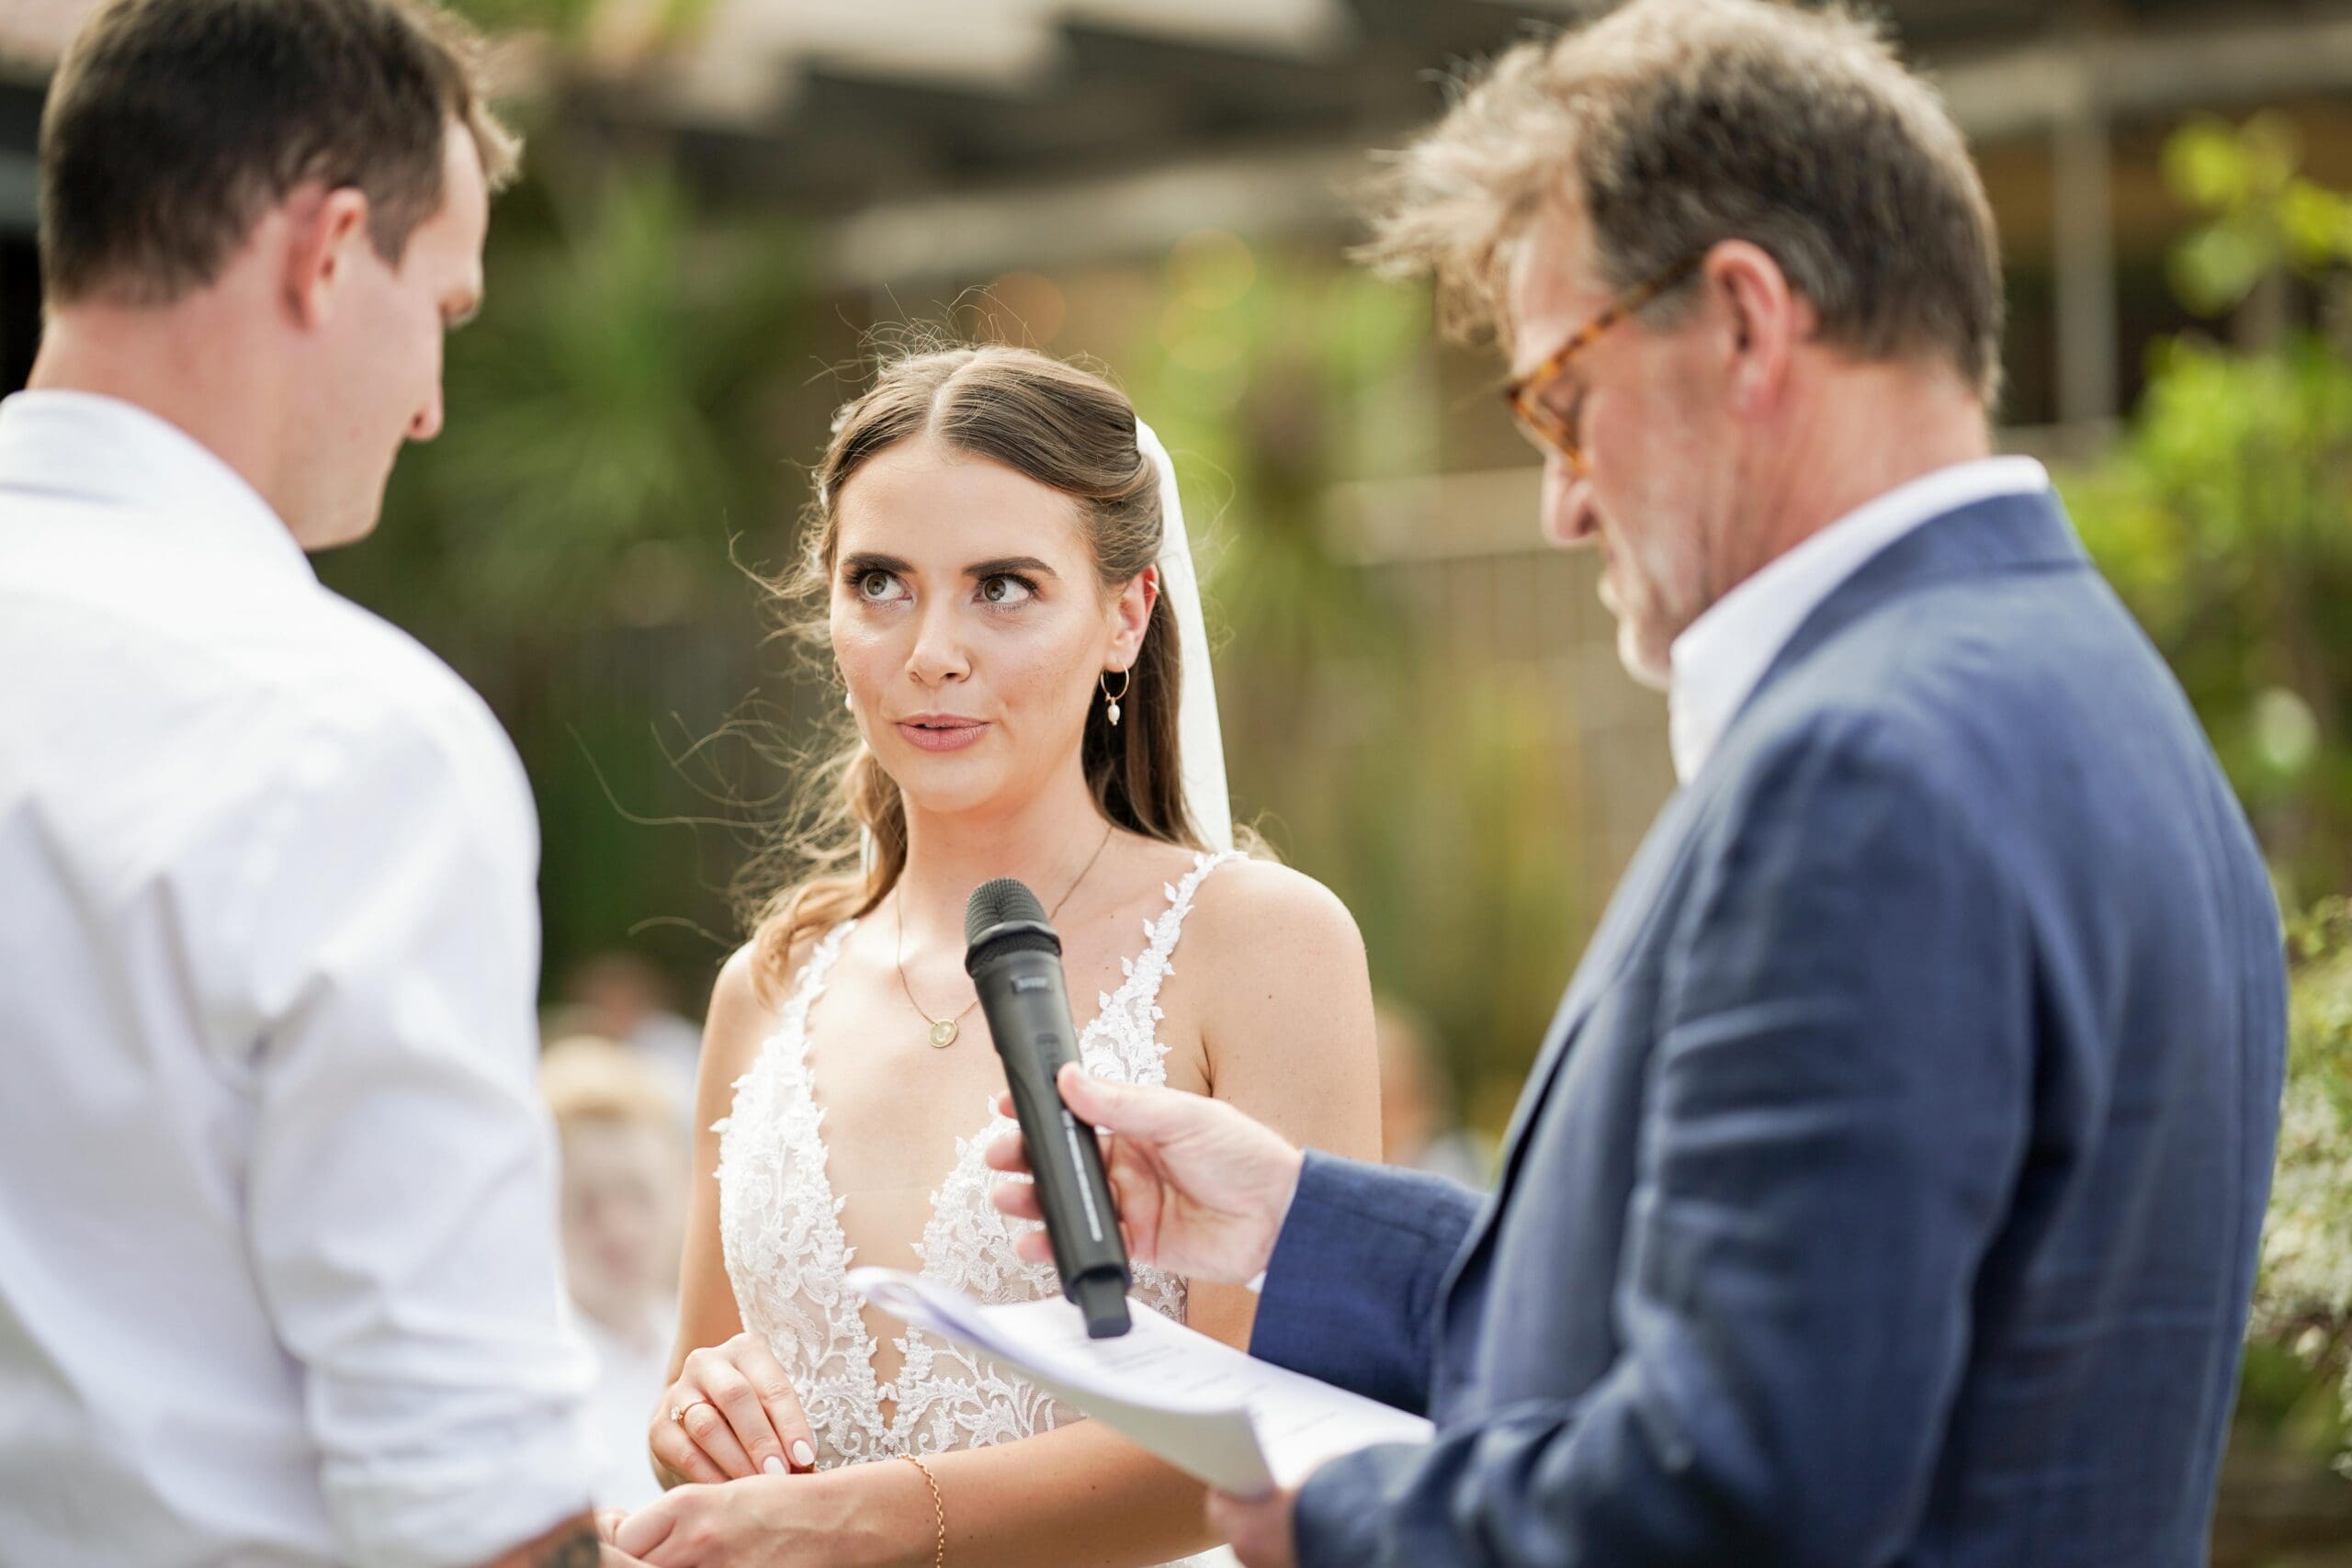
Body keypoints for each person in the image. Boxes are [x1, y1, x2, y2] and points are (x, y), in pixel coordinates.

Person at [988, 4, 2287, 1565]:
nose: (1558, 504)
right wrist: (1296, 1224)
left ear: (1743, 322)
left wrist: (1343, 1518)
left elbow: (1746, 1484)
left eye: (1560, 400)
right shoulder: (2090, 688)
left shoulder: (1865, 767)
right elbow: (1799, 1314)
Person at [0, 2, 633, 1563]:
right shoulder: (349, 740)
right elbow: (470, 1498)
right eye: (446, 306)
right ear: (330, 249)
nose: (429, 403)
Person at [612, 344, 1380, 1567]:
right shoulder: (766, 986)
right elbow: (693, 1397)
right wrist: (698, 1418)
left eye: (1003, 586)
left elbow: (1273, 1424)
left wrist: (881, 1514)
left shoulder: (1262, 945)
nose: (932, 650)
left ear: (1126, 613)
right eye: (880, 582)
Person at [543, 1037, 693, 1513]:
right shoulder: (531, 1371)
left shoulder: (703, 1347)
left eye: (639, 1194)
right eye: (585, 1203)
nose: (618, 1229)